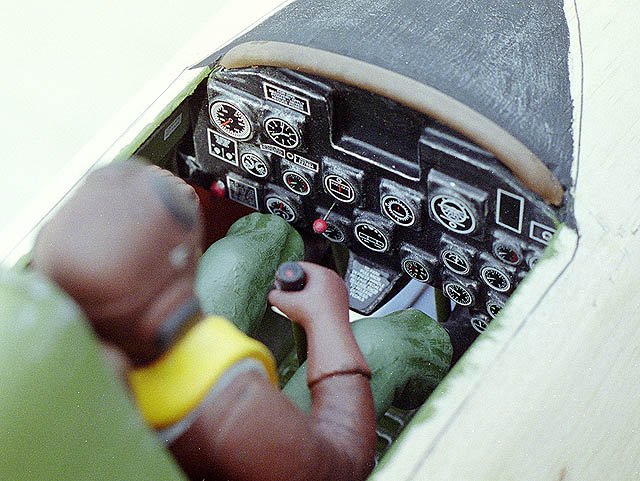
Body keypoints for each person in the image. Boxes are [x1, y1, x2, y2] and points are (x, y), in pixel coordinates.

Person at [31, 160, 376, 481]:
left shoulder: (65, 360)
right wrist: (326, 319)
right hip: (254, 433)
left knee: (261, 238)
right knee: (389, 340)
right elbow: (342, 466)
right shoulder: (236, 410)